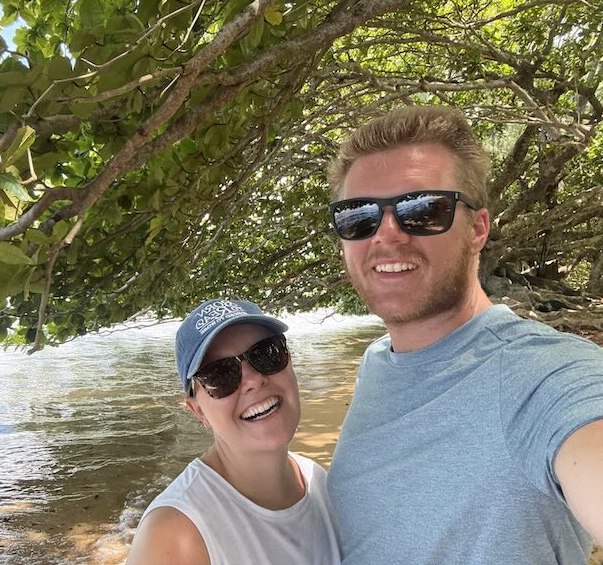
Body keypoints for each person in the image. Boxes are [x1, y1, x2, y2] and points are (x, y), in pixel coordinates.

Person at [325, 105, 603, 564]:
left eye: (422, 209)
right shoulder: (379, 361)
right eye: (358, 216)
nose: (387, 234)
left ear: (477, 229)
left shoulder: (540, 375)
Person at [127, 299, 341, 565]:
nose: (252, 380)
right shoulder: (176, 533)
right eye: (219, 375)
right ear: (199, 412)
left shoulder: (319, 482)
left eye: (267, 353)